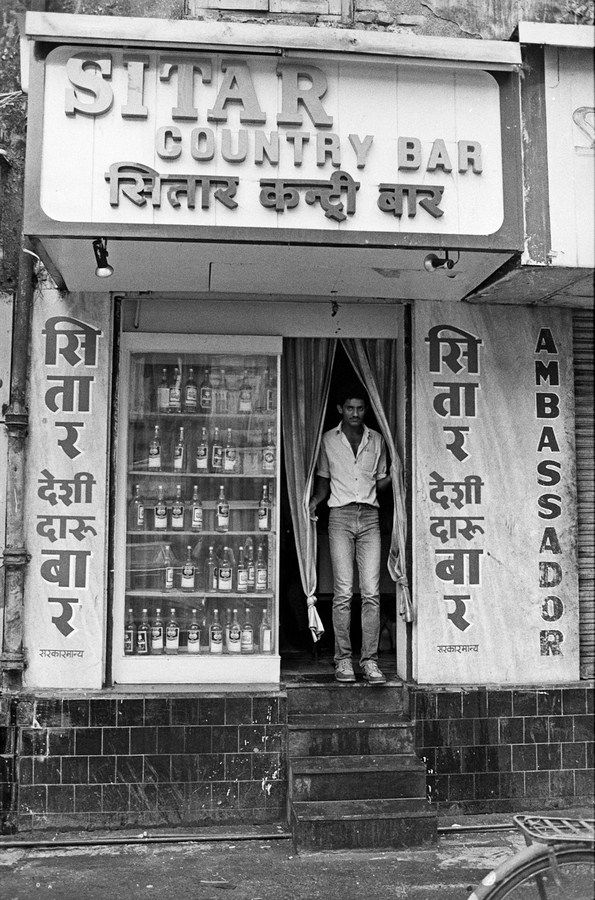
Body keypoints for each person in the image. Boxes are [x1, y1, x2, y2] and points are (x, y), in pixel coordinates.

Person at [309, 386, 391, 684]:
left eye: (360, 408)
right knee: (343, 593)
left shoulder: (377, 440)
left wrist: (397, 476)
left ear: (366, 409)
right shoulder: (328, 440)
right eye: (350, 408)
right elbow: (322, 481)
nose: (355, 413)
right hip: (340, 517)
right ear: (340, 409)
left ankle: (369, 662)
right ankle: (343, 661)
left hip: (369, 516)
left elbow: (381, 482)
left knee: (371, 592)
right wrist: (315, 501)